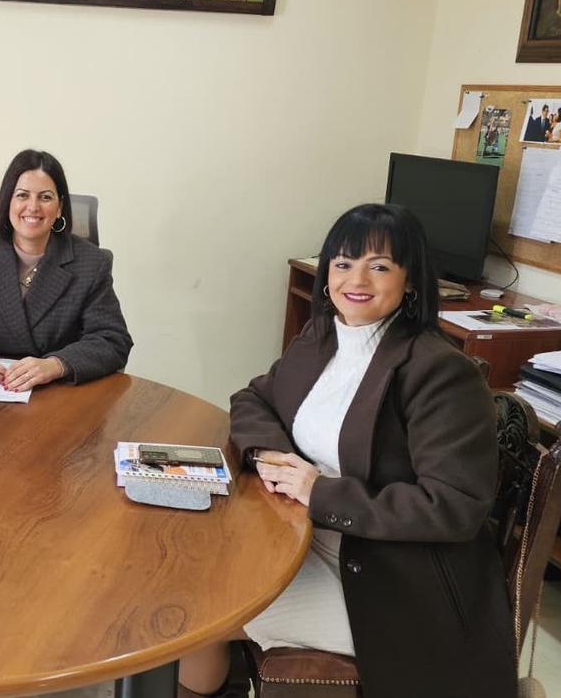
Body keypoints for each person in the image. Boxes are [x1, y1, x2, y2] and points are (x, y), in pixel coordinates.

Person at [177, 203, 515, 697]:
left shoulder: (439, 372)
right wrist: (270, 455)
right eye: (342, 263)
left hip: (391, 588)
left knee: (191, 611)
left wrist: (319, 492)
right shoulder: (322, 336)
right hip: (302, 541)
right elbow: (253, 397)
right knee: (180, 577)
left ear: (410, 281)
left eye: (379, 266)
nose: (356, 279)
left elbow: (453, 506)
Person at [0, 149, 132, 391]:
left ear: (60, 207)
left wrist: (55, 365)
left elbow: (113, 340)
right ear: (8, 202)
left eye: (45, 197)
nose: (33, 207)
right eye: (22, 195)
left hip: (59, 393)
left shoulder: (91, 263)